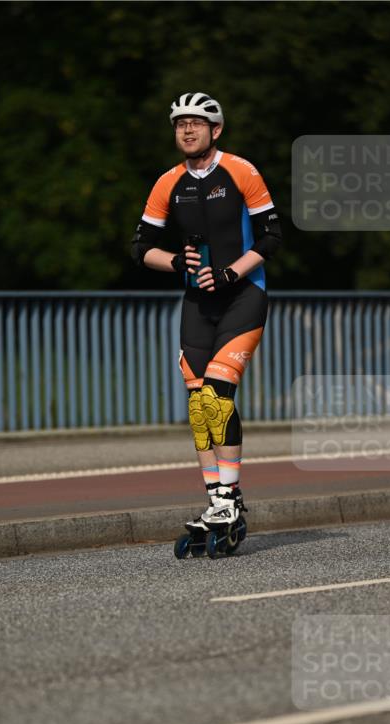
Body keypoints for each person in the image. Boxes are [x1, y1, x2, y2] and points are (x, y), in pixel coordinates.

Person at [131, 92, 282, 532]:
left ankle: (230, 499)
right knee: (199, 404)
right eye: (180, 124)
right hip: (197, 301)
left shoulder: (241, 170)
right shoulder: (168, 182)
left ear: (216, 130)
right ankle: (219, 501)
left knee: (217, 399)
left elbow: (272, 237)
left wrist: (233, 274)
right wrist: (176, 262)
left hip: (243, 295)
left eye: (197, 123)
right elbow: (140, 248)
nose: (188, 130)